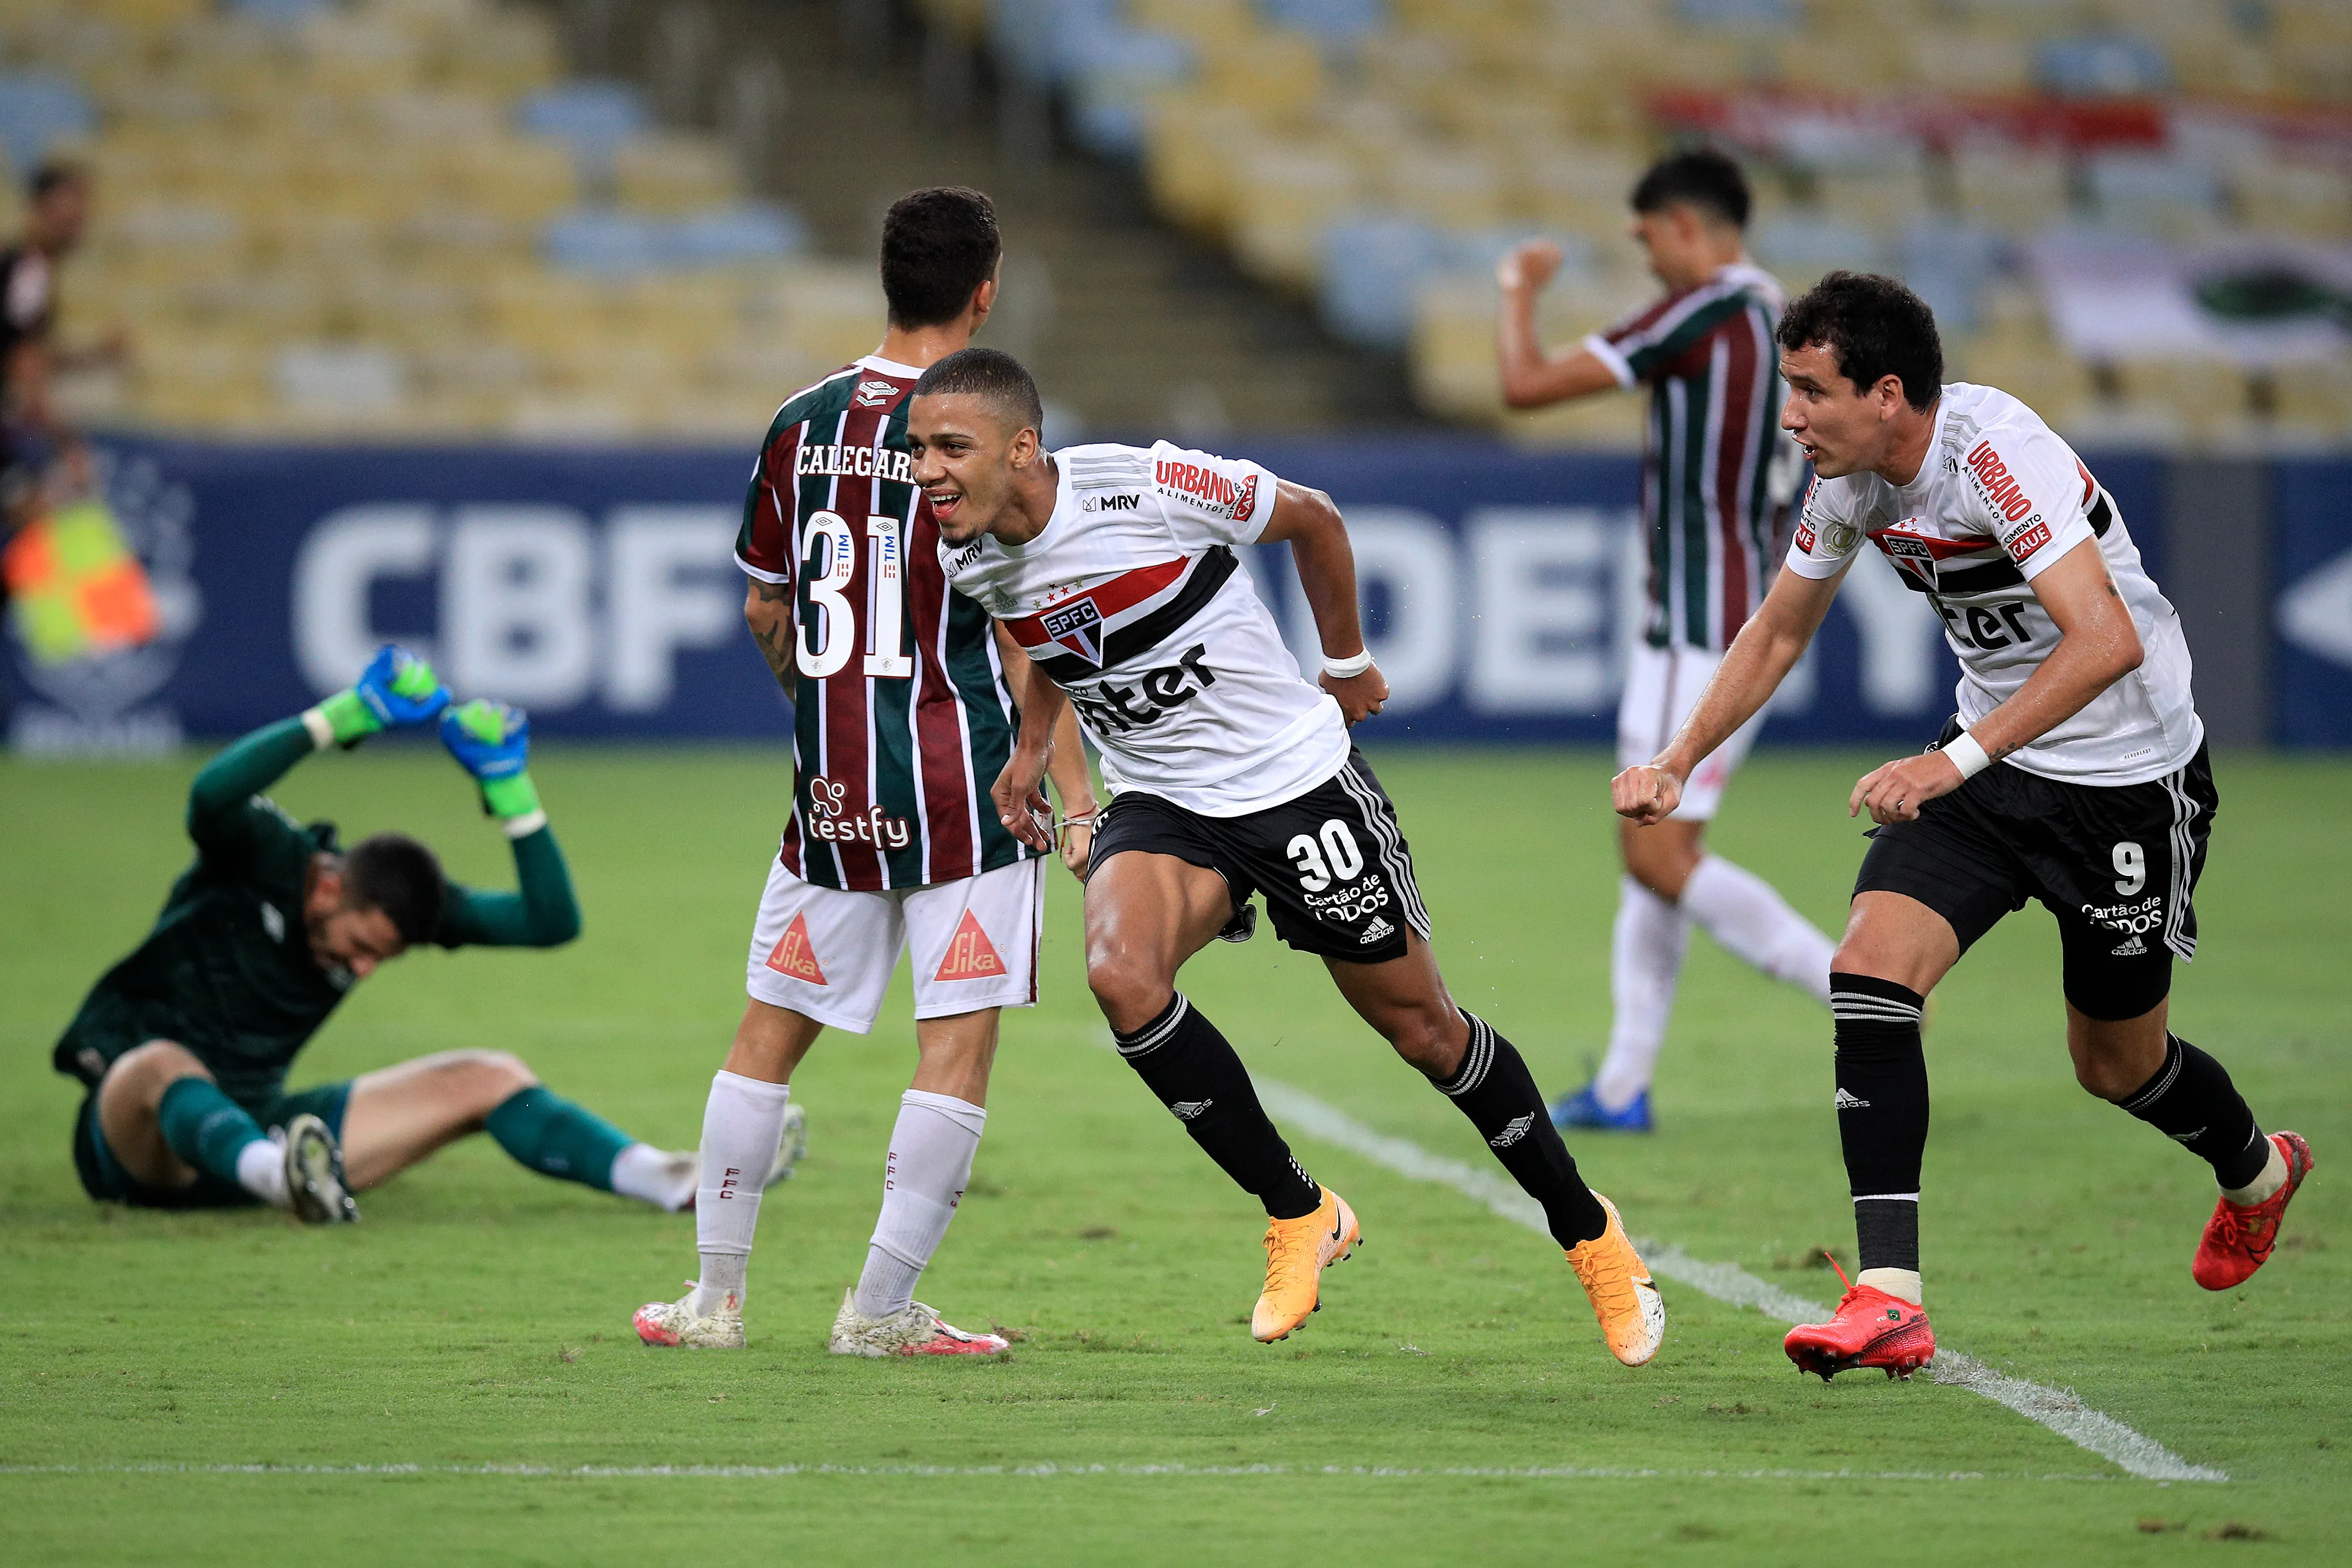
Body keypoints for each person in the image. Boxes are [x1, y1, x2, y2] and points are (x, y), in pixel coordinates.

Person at [1612, 271, 2313, 1380]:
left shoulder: (1997, 456)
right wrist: (1675, 760)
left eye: (1810, 391)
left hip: (2127, 782)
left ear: (1888, 393)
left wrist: (1949, 759)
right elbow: (1780, 631)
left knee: (2117, 1064)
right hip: (1989, 769)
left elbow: (2105, 641)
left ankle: (2259, 1173)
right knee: (1871, 973)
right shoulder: (1846, 483)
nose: (1791, 416)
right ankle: (1891, 1295)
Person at [910, 346, 1667, 1368]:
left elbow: (1313, 516)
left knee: (1425, 1031)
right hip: (1168, 802)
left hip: (1295, 784)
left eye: (950, 447)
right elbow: (1048, 635)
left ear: (1023, 447)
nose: (927, 470)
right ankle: (1300, 1210)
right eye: (917, 450)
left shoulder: (1149, 483)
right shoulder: (968, 550)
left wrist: (1346, 660)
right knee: (1120, 974)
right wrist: (1038, 759)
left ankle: (1591, 1233)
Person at [632, 188, 1093, 1359]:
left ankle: (714, 1301)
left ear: (885, 283)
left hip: (833, 785)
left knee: (767, 1030)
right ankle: (877, 1311)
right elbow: (1030, 625)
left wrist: (824, 711)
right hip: (970, 788)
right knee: (955, 1044)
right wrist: (1071, 791)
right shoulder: (984, 425)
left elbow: (760, 603)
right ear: (983, 291)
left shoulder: (801, 419)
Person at [53, 645, 735, 1223]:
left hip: (269, 1130)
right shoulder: (265, 854)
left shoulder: (402, 912)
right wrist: (344, 718)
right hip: (139, 1148)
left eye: (383, 957)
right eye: (361, 947)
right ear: (326, 890)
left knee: (487, 1075)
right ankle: (279, 1177)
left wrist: (511, 792)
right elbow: (210, 796)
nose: (366, 968)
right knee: (157, 1064)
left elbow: (550, 922)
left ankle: (668, 1179)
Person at [1494, 148, 1832, 1133]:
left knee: (1658, 853)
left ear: (1687, 225)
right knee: (1651, 843)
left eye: (1648, 238)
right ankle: (1624, 1082)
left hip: (1704, 625)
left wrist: (1519, 292)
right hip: (1724, 611)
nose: (1646, 259)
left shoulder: (1707, 311)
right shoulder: (1790, 321)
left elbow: (1525, 384)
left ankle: (1858, 985)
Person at [2, 160, 125, 534]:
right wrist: (65, 442)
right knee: (45, 515)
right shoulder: (31, 270)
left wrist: (93, 358)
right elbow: (24, 364)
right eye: (70, 204)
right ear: (40, 208)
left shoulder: (28, 270)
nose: (81, 216)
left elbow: (23, 350)